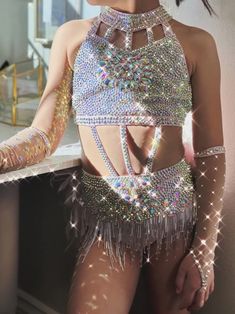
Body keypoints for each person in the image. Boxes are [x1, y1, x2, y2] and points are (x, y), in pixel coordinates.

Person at [0, 0, 226, 313]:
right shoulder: (72, 38)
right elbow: (44, 134)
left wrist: (204, 248)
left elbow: (211, 154)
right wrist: (3, 154)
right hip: (107, 225)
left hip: (173, 220)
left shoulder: (196, 43)